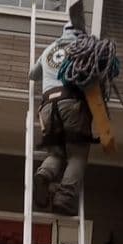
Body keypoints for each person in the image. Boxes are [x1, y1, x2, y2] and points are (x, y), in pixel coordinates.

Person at [29, 21, 93, 217]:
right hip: (70, 102)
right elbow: (93, 76)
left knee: (57, 153)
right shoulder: (82, 49)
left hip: (48, 106)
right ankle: (64, 199)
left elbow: (33, 74)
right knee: (77, 155)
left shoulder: (50, 49)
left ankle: (44, 174)